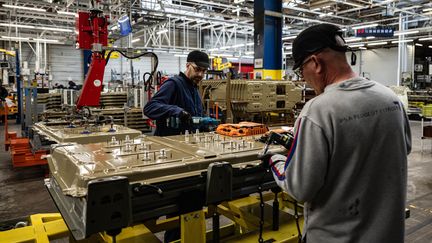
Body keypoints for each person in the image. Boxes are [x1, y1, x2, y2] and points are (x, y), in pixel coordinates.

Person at [261, 24, 411, 242]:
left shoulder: (318, 110)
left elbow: (299, 187)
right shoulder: (390, 98)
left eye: (301, 70)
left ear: (315, 63)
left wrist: (274, 160)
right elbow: (403, 148)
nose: (303, 79)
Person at [144, 50, 209, 136]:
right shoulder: (173, 84)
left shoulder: (194, 89)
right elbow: (150, 107)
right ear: (187, 65)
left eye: (204, 71)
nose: (200, 74)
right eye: (197, 69)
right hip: (169, 143)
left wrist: (205, 125)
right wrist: (178, 111)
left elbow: (197, 117)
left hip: (188, 143)